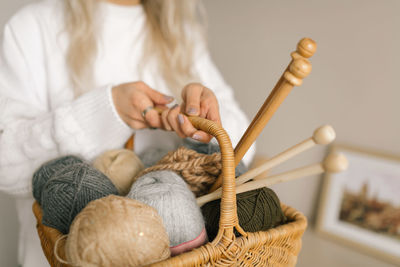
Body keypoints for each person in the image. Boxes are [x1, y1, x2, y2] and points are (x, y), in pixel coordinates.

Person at [0, 0, 255, 266]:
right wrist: (104, 112)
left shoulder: (179, 32)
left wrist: (204, 122)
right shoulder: (33, 27)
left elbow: (245, 149)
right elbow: (5, 166)